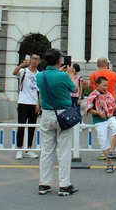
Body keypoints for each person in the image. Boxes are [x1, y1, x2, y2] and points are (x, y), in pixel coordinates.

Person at [36, 48, 78, 196]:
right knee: (64, 151)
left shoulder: (40, 76)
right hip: (63, 115)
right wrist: (71, 75)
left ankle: (44, 184)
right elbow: (74, 88)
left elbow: (50, 81)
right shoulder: (64, 76)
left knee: (47, 151)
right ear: (59, 60)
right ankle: (64, 185)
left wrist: (61, 72)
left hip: (46, 114)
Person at [86, 77, 116, 173]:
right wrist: (98, 112)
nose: (106, 87)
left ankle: (112, 151)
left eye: (107, 85)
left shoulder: (109, 95)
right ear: (97, 85)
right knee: (103, 142)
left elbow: (111, 107)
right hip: (99, 121)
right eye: (104, 85)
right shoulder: (93, 96)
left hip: (109, 117)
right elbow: (89, 109)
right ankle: (109, 164)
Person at [12, 53, 42, 160]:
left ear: (39, 61)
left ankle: (28, 149)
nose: (34, 61)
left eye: (37, 59)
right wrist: (21, 65)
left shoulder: (39, 75)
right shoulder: (24, 71)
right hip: (23, 102)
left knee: (32, 127)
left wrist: (39, 103)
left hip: (34, 103)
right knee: (21, 126)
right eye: (33, 58)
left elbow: (40, 90)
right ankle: (19, 149)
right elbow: (14, 72)